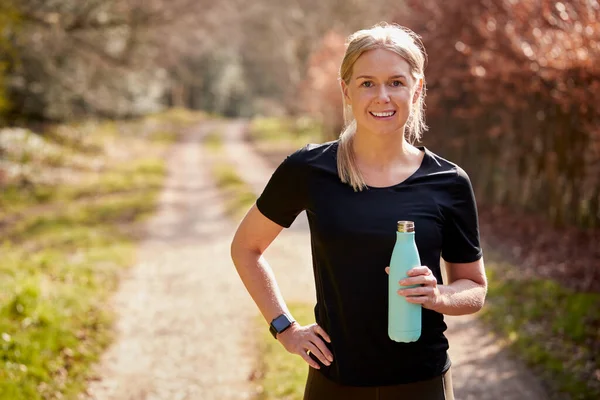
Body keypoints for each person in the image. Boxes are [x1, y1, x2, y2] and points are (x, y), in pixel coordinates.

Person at [231, 22, 487, 400]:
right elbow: (246, 248)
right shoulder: (309, 169)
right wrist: (285, 327)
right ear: (346, 91)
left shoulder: (448, 181)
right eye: (367, 83)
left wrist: (439, 296)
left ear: (416, 90)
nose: (382, 96)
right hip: (335, 383)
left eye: (396, 83)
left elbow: (475, 287)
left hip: (423, 383)